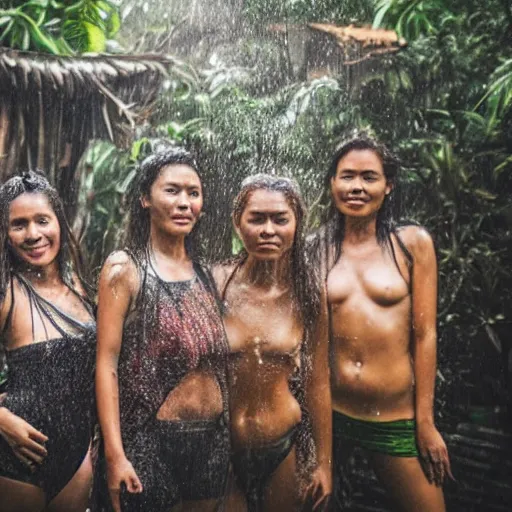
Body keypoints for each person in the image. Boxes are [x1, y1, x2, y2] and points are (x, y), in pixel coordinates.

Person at [312, 134, 453, 511]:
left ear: (388, 185)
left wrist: (425, 422)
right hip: (331, 416)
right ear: (332, 183)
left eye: (368, 177)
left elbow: (425, 335)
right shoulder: (314, 248)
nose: (356, 186)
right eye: (347, 176)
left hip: (393, 417)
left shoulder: (412, 244)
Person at [94, 147, 230, 512]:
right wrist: (114, 455)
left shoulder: (206, 273)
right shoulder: (126, 269)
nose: (184, 202)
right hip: (149, 440)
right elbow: (106, 365)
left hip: (211, 443)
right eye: (172, 191)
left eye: (193, 193)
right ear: (144, 198)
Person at [213, 174, 332, 512]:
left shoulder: (308, 294)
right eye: (257, 219)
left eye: (281, 219)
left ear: (297, 224)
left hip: (282, 446)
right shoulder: (216, 283)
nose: (268, 230)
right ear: (238, 223)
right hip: (221, 449)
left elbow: (317, 381)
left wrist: (324, 463)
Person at [0, 171, 96, 512]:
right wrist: (2, 420)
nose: (33, 234)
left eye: (42, 220)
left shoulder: (85, 291)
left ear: (59, 222)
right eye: (19, 224)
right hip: (17, 455)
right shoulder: (7, 293)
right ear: (5, 234)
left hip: (78, 456)